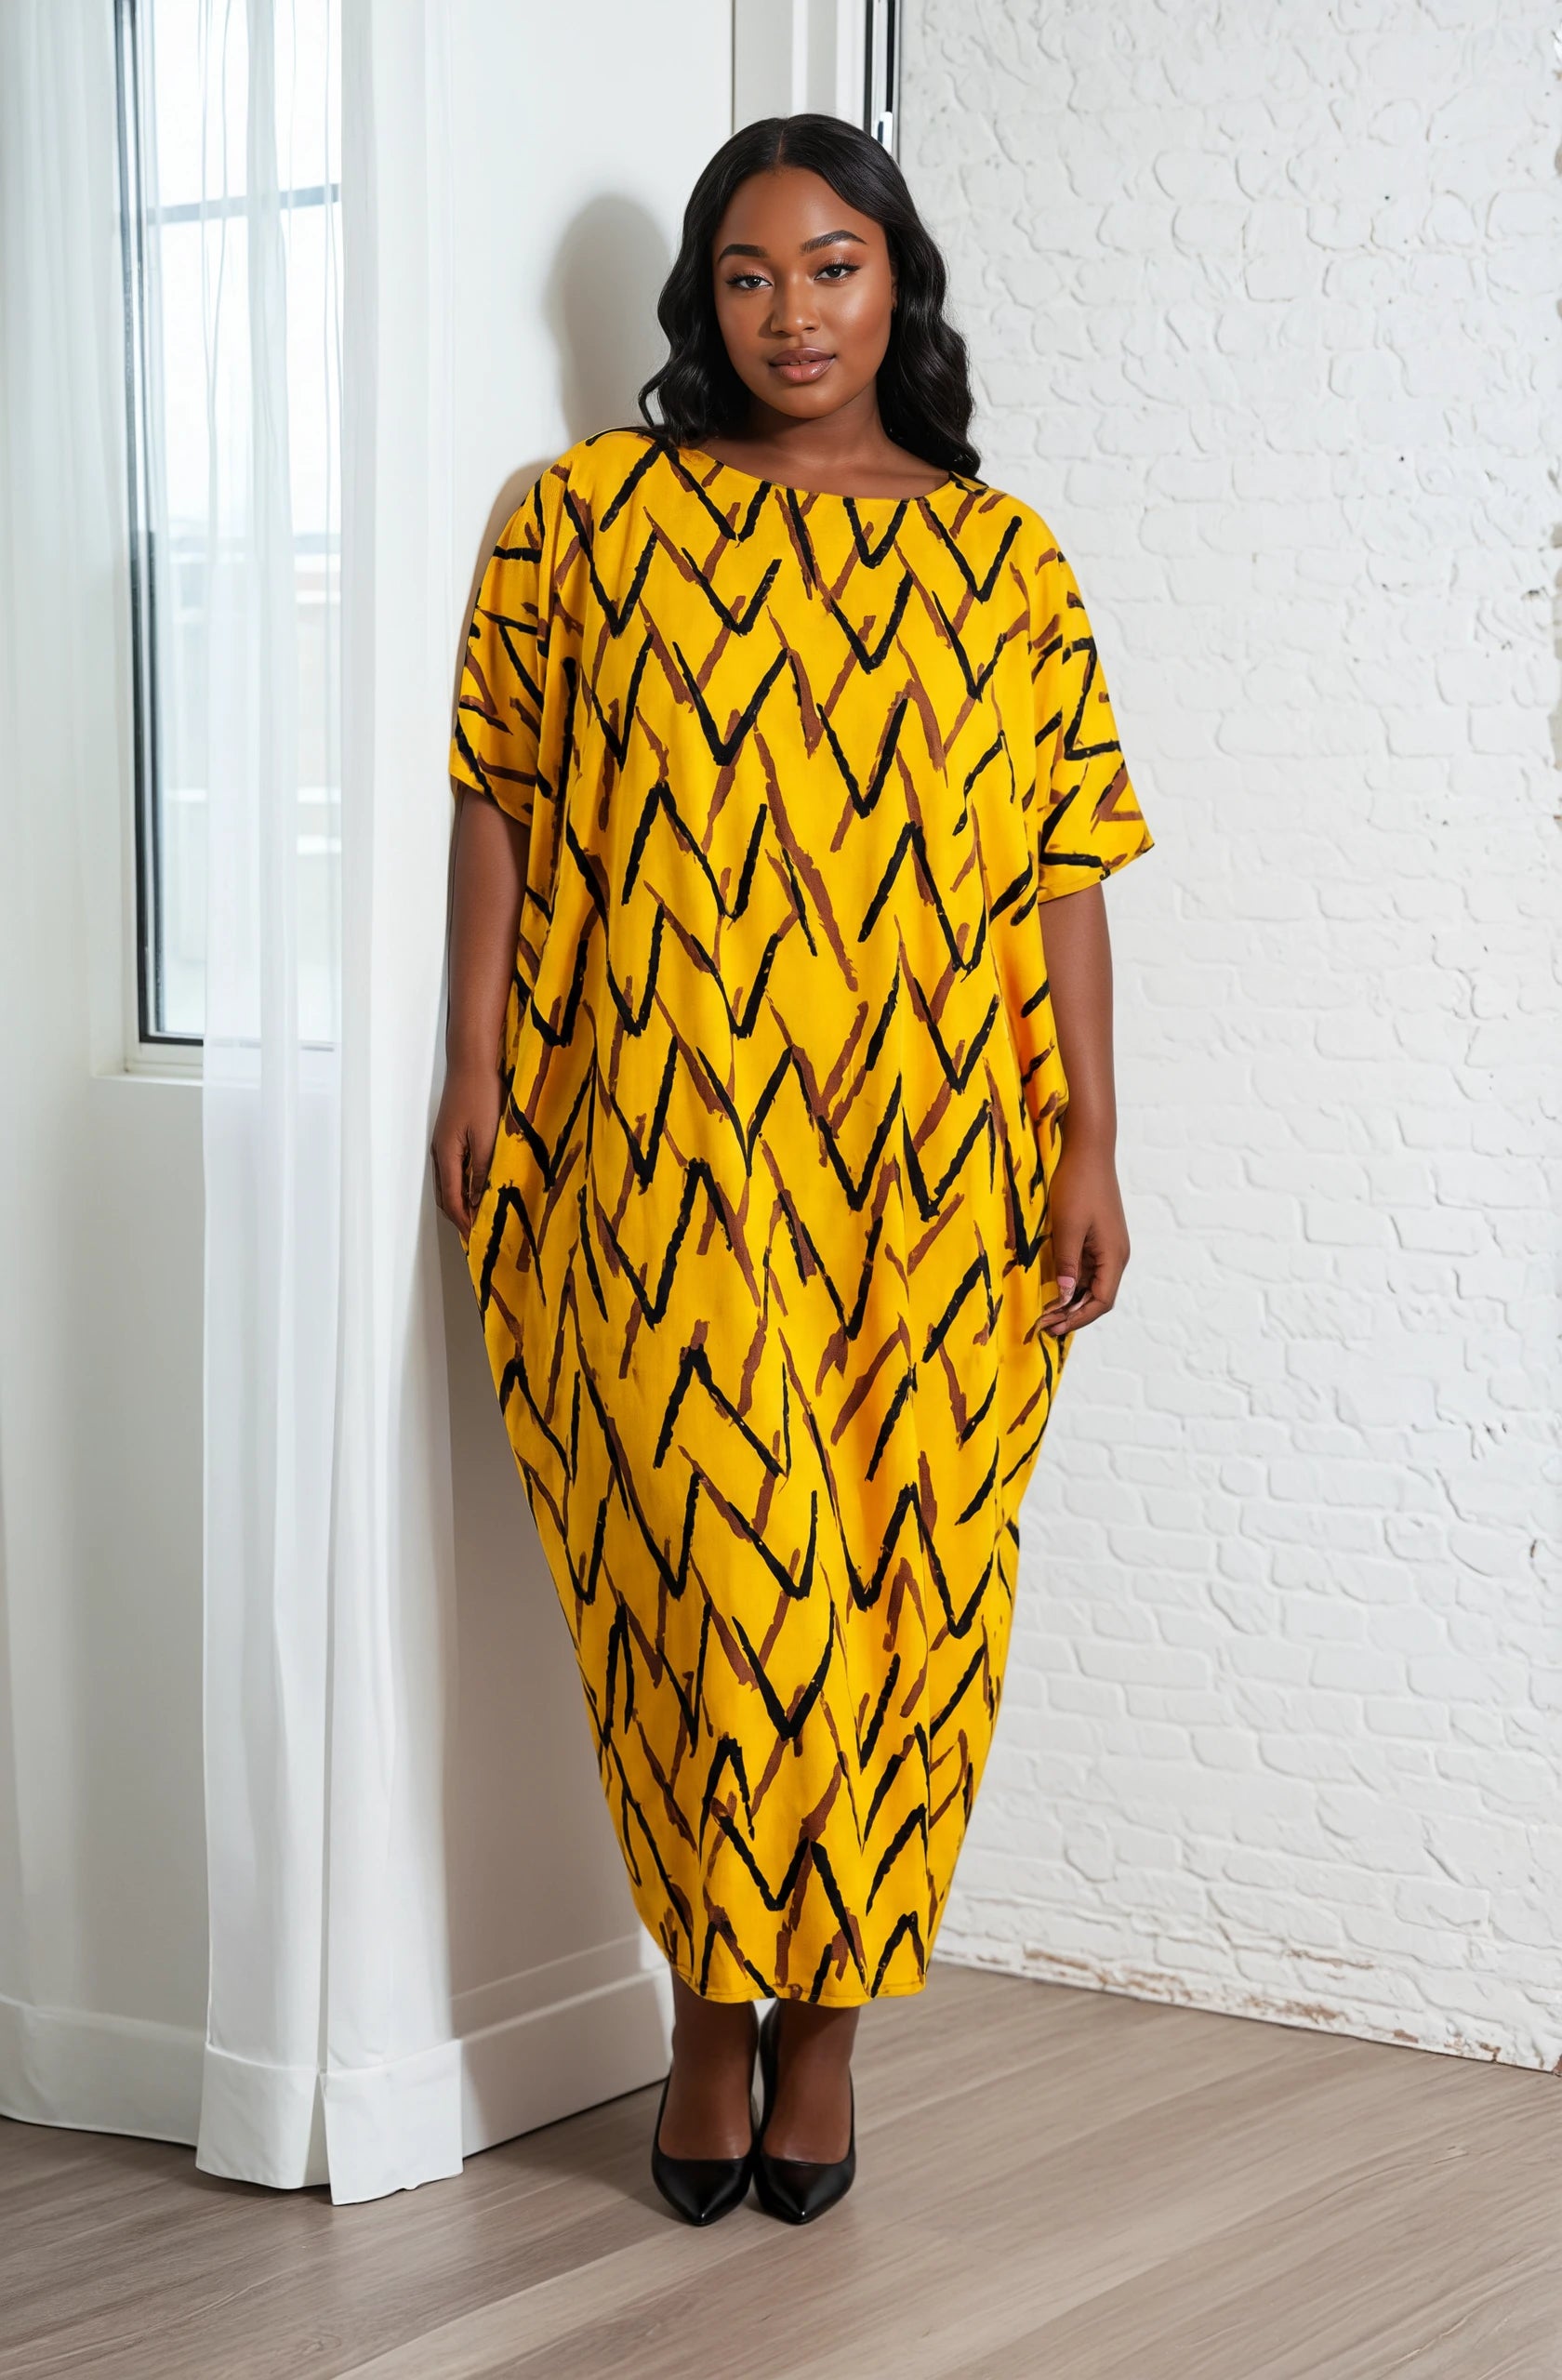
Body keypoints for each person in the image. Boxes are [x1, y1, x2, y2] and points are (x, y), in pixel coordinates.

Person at [432, 112, 1154, 2228]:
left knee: (909, 1598)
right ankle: (705, 2010)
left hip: (938, 1156)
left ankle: (825, 2032)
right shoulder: (589, 520)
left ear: (895, 280)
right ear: (702, 299)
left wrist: (1096, 1135)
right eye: (748, 275)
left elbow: (1065, 868)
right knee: (702, 1585)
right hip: (671, 1138)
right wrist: (472, 1059)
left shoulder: (1003, 560)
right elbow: (501, 788)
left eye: (832, 266)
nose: (792, 313)